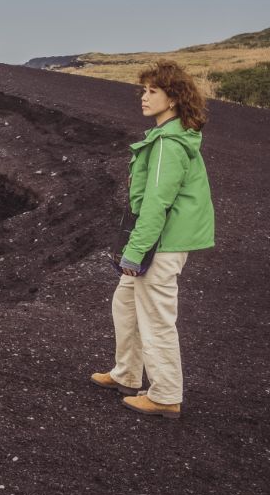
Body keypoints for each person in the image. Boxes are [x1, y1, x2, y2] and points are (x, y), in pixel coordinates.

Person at [90, 59, 215, 418]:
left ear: (173, 98)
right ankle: (127, 373)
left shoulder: (168, 145)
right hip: (160, 240)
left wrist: (135, 251)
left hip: (163, 243)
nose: (144, 97)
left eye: (152, 91)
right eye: (143, 90)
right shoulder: (167, 136)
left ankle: (165, 394)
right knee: (126, 302)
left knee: (156, 316)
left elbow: (157, 203)